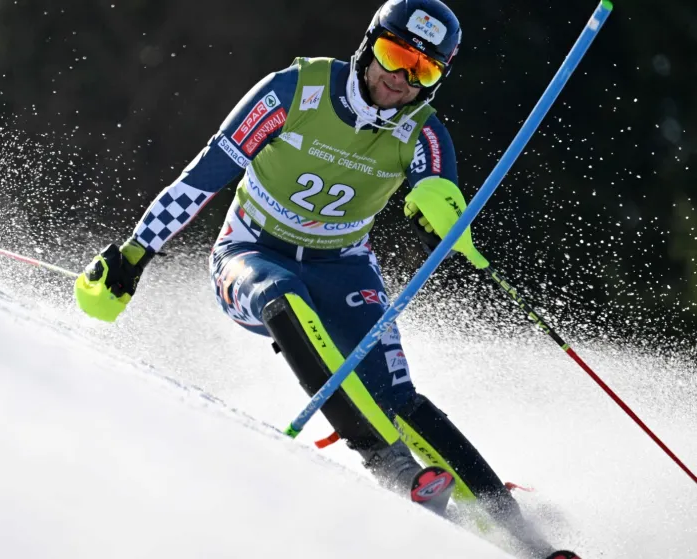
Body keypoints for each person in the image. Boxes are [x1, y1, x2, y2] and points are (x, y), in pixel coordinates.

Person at [75, 1, 574, 557]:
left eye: (423, 70)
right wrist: (135, 253)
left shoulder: (422, 132)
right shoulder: (296, 91)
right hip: (250, 253)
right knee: (281, 295)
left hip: (343, 266)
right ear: (368, 46)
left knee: (396, 396)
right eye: (393, 55)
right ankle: (392, 466)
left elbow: (438, 193)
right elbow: (207, 173)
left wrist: (440, 216)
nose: (401, 79)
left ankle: (519, 532)